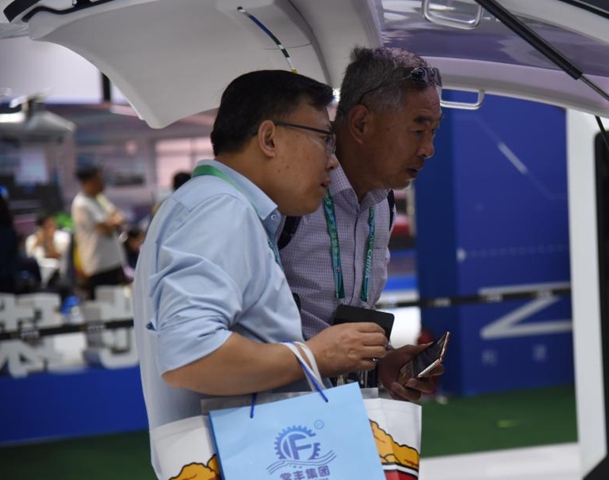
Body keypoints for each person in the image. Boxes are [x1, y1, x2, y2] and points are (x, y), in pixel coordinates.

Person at [132, 70, 388, 478]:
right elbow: (190, 354)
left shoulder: (213, 206)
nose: (333, 158)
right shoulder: (220, 210)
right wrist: (314, 356)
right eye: (325, 138)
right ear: (269, 138)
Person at [278, 47, 444, 401]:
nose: (429, 149)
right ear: (360, 123)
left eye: (434, 130)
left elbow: (343, 324)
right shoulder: (289, 195)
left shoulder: (381, 203)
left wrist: (382, 364)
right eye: (418, 130)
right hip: (279, 421)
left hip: (344, 417)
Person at [71, 165, 127, 299]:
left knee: (119, 304)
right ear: (88, 182)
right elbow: (105, 228)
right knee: (104, 307)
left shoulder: (99, 199)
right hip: (99, 266)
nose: (102, 184)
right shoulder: (82, 204)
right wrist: (113, 220)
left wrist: (113, 220)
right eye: (98, 180)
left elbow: (119, 217)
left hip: (113, 262)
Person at [24, 211, 71, 286]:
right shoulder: (32, 240)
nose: (50, 229)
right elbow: (30, 259)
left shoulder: (63, 237)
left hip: (58, 275)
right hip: (37, 275)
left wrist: (49, 241)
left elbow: (57, 256)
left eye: (51, 225)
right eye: (46, 227)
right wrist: (37, 243)